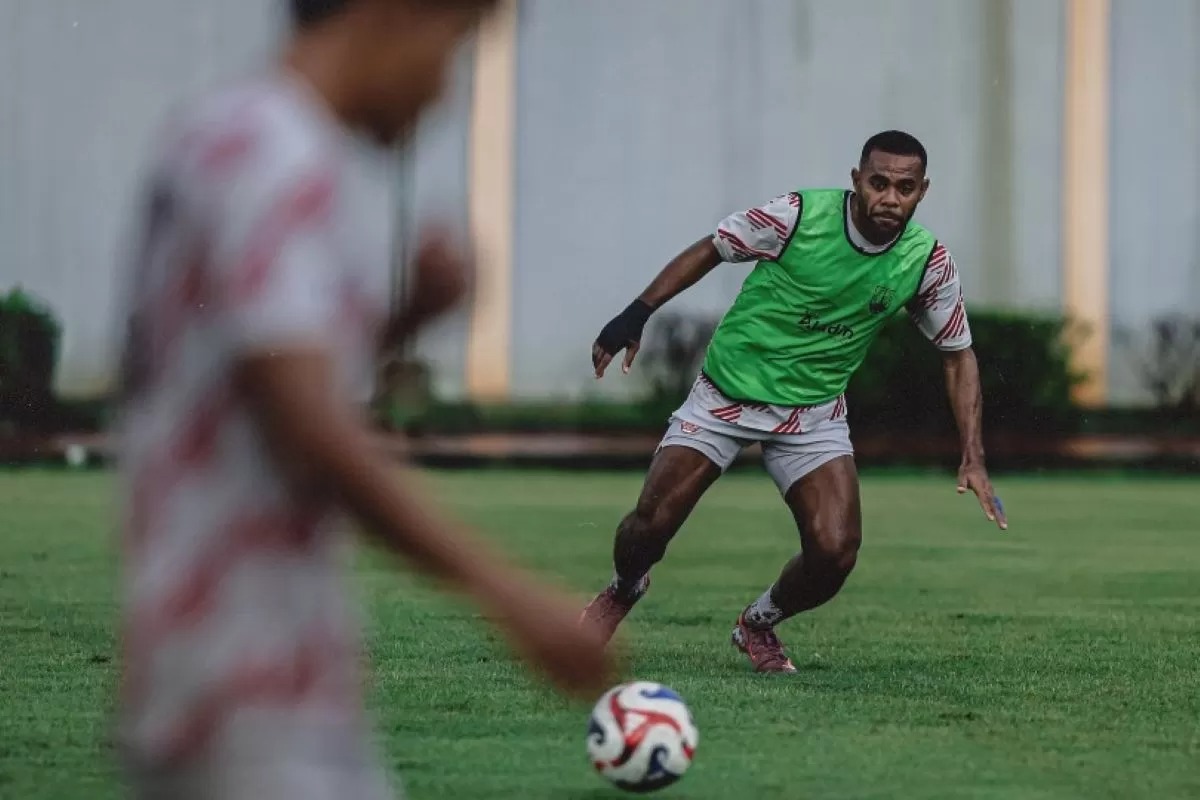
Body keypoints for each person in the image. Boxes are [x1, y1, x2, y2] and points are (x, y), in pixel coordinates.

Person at [115, 1, 611, 797]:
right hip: (250, 670)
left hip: (208, 646)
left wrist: (403, 318)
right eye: (454, 49)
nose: (442, 93)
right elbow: (310, 428)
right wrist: (508, 595)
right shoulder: (280, 155)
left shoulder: (218, 135)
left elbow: (246, 383)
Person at [580, 131, 1008, 674]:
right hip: (727, 394)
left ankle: (757, 623)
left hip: (812, 413)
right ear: (857, 181)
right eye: (878, 183)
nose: (889, 198)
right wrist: (636, 313)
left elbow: (958, 354)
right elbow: (713, 247)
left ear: (923, 191)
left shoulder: (925, 261)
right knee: (650, 526)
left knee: (835, 551)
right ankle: (624, 588)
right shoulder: (798, 216)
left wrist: (972, 454)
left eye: (904, 187)